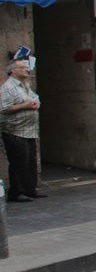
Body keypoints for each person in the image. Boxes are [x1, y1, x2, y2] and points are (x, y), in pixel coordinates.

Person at [0, 59, 43, 202]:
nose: (27, 70)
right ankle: (15, 192)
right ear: (13, 70)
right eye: (23, 67)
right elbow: (4, 108)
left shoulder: (25, 85)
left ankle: (30, 189)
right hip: (15, 131)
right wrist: (25, 105)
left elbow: (34, 98)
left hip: (29, 130)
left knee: (30, 161)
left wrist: (35, 103)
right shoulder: (8, 88)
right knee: (19, 162)